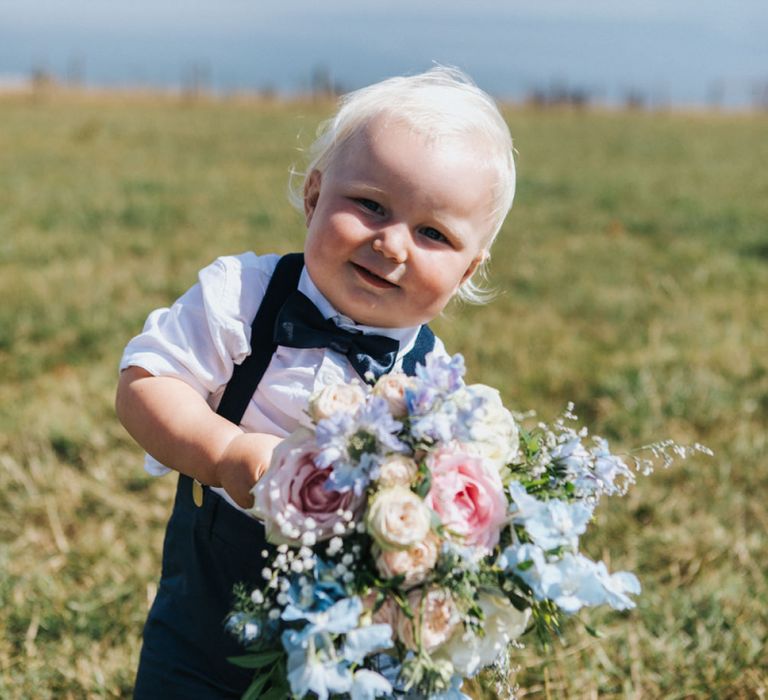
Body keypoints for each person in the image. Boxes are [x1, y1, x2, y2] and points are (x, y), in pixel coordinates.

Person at [115, 65, 516, 698]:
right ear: (313, 196)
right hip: (211, 614)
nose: (392, 245)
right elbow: (145, 380)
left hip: (352, 643)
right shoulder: (242, 296)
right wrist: (220, 453)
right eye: (371, 206)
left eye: (432, 233)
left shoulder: (438, 389)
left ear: (468, 272)